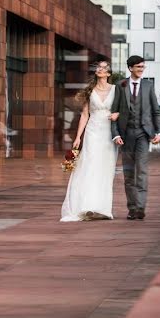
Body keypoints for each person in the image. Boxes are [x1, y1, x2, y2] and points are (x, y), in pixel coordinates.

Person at [61, 61, 121, 221]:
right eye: (98, 67)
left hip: (109, 134)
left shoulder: (116, 90)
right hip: (93, 132)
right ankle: (86, 205)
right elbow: (85, 114)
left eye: (104, 67)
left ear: (109, 73)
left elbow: (123, 109)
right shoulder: (90, 91)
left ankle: (102, 208)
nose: (100, 69)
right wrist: (78, 137)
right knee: (89, 166)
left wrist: (118, 114)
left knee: (105, 170)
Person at [113, 55, 160, 221]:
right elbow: (114, 112)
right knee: (128, 174)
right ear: (130, 68)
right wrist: (116, 134)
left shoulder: (149, 86)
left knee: (141, 171)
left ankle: (141, 207)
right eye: (138, 67)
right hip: (126, 135)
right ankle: (132, 208)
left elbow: (156, 111)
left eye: (143, 67)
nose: (141, 70)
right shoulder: (120, 85)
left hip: (143, 134)